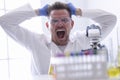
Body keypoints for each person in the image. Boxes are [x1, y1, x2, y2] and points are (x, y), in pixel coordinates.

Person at [0, 1, 117, 75]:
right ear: (47, 26)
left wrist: (79, 11)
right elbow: (5, 21)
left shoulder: (82, 40)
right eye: (54, 21)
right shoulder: (35, 42)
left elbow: (111, 20)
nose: (60, 24)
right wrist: (36, 12)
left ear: (72, 24)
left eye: (65, 20)